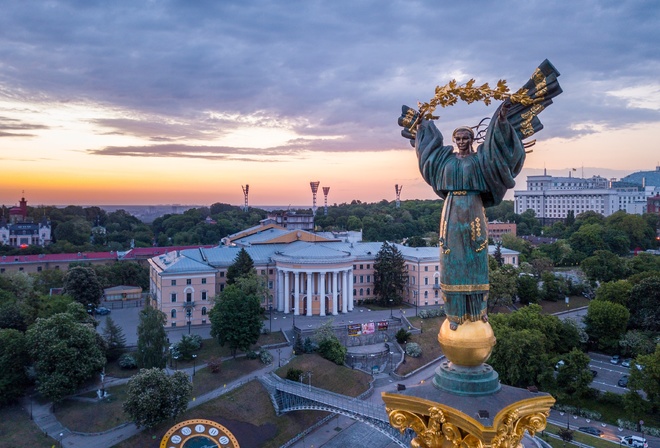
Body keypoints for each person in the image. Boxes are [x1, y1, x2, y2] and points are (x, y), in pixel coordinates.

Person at [399, 102, 525, 330]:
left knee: (476, 256)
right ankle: (454, 313)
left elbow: (498, 149)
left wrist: (503, 119)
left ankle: (479, 310)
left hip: (474, 209)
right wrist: (422, 124)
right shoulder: (445, 160)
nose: (461, 142)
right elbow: (428, 151)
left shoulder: (480, 161)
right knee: (452, 256)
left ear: (472, 140)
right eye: (457, 139)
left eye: (465, 138)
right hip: (451, 211)